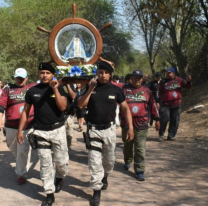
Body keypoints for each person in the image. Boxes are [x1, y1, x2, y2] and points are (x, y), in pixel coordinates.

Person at [78, 60, 134, 206]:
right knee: (94, 161)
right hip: (93, 130)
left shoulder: (116, 90)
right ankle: (96, 191)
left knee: (109, 162)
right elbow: (80, 104)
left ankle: (105, 176)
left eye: (106, 73)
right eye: (100, 72)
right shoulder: (90, 88)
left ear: (110, 74)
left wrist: (131, 128)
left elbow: (126, 109)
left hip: (109, 131)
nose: (103, 75)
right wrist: (90, 89)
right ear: (97, 73)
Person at [17, 63, 70, 206]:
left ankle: (59, 177)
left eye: (47, 72)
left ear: (53, 74)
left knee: (61, 162)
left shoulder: (60, 88)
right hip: (40, 131)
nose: (44, 75)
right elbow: (26, 112)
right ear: (39, 74)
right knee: (45, 164)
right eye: (42, 72)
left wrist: (55, 89)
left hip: (57, 130)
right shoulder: (32, 91)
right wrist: (20, 130)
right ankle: (49, 193)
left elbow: (63, 107)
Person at [121, 70, 160, 181]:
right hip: (127, 124)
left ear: (142, 79)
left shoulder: (147, 91)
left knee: (140, 148)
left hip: (141, 124)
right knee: (127, 145)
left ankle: (139, 169)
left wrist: (157, 119)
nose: (137, 79)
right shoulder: (124, 90)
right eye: (135, 77)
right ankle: (128, 160)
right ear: (131, 78)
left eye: (139, 78)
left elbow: (153, 106)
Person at [0, 68, 36, 184]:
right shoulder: (8, 90)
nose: (19, 80)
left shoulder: (33, 87)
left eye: (22, 78)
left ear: (27, 78)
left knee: (22, 150)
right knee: (13, 147)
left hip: (27, 125)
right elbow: (1, 106)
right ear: (14, 78)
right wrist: (0, 117)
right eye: (17, 78)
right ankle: (21, 162)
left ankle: (21, 174)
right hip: (11, 125)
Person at [158, 67, 192, 141]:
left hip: (176, 104)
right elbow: (159, 91)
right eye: (167, 72)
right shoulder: (163, 81)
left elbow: (188, 86)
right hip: (165, 104)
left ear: (173, 73)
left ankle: (171, 135)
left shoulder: (179, 80)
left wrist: (189, 81)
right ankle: (161, 134)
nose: (167, 74)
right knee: (164, 118)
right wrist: (158, 101)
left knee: (175, 120)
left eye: (169, 72)